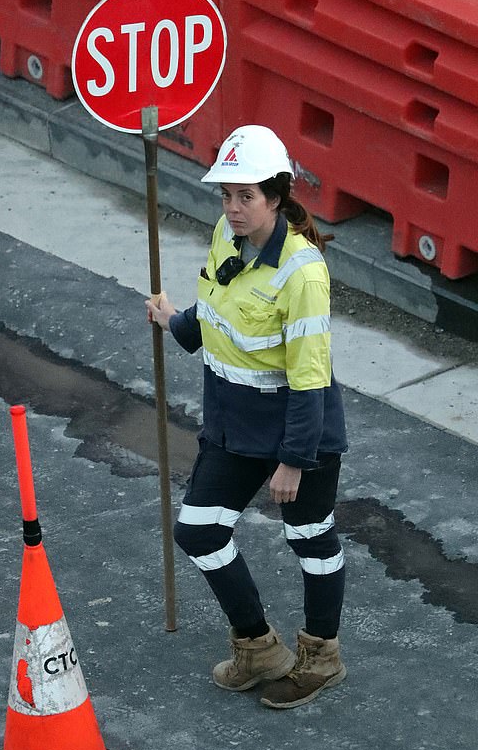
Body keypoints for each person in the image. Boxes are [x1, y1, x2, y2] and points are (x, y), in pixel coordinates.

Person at [145, 125, 348, 710]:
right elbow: (216, 312)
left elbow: (310, 377)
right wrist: (175, 321)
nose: (233, 208)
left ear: (277, 197)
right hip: (233, 426)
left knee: (310, 538)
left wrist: (293, 460)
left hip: (295, 432)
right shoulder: (225, 236)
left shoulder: (303, 273)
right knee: (199, 530)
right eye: (227, 195)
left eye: (247, 197)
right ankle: (258, 646)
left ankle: (321, 657)